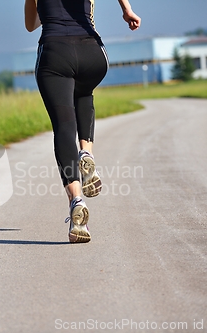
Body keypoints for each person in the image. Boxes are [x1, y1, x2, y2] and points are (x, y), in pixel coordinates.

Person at [24, 0, 141, 243]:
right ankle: (86, 153)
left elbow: (30, 24)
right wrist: (126, 9)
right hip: (93, 52)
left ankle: (76, 200)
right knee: (84, 93)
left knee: (64, 127)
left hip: (55, 50)